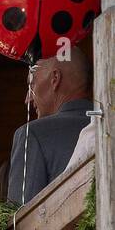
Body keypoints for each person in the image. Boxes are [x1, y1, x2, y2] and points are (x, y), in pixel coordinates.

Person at [5, 50, 94, 206]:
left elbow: (18, 222)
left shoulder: (32, 135)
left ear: (55, 79)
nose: (28, 98)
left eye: (32, 84)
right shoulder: (106, 127)